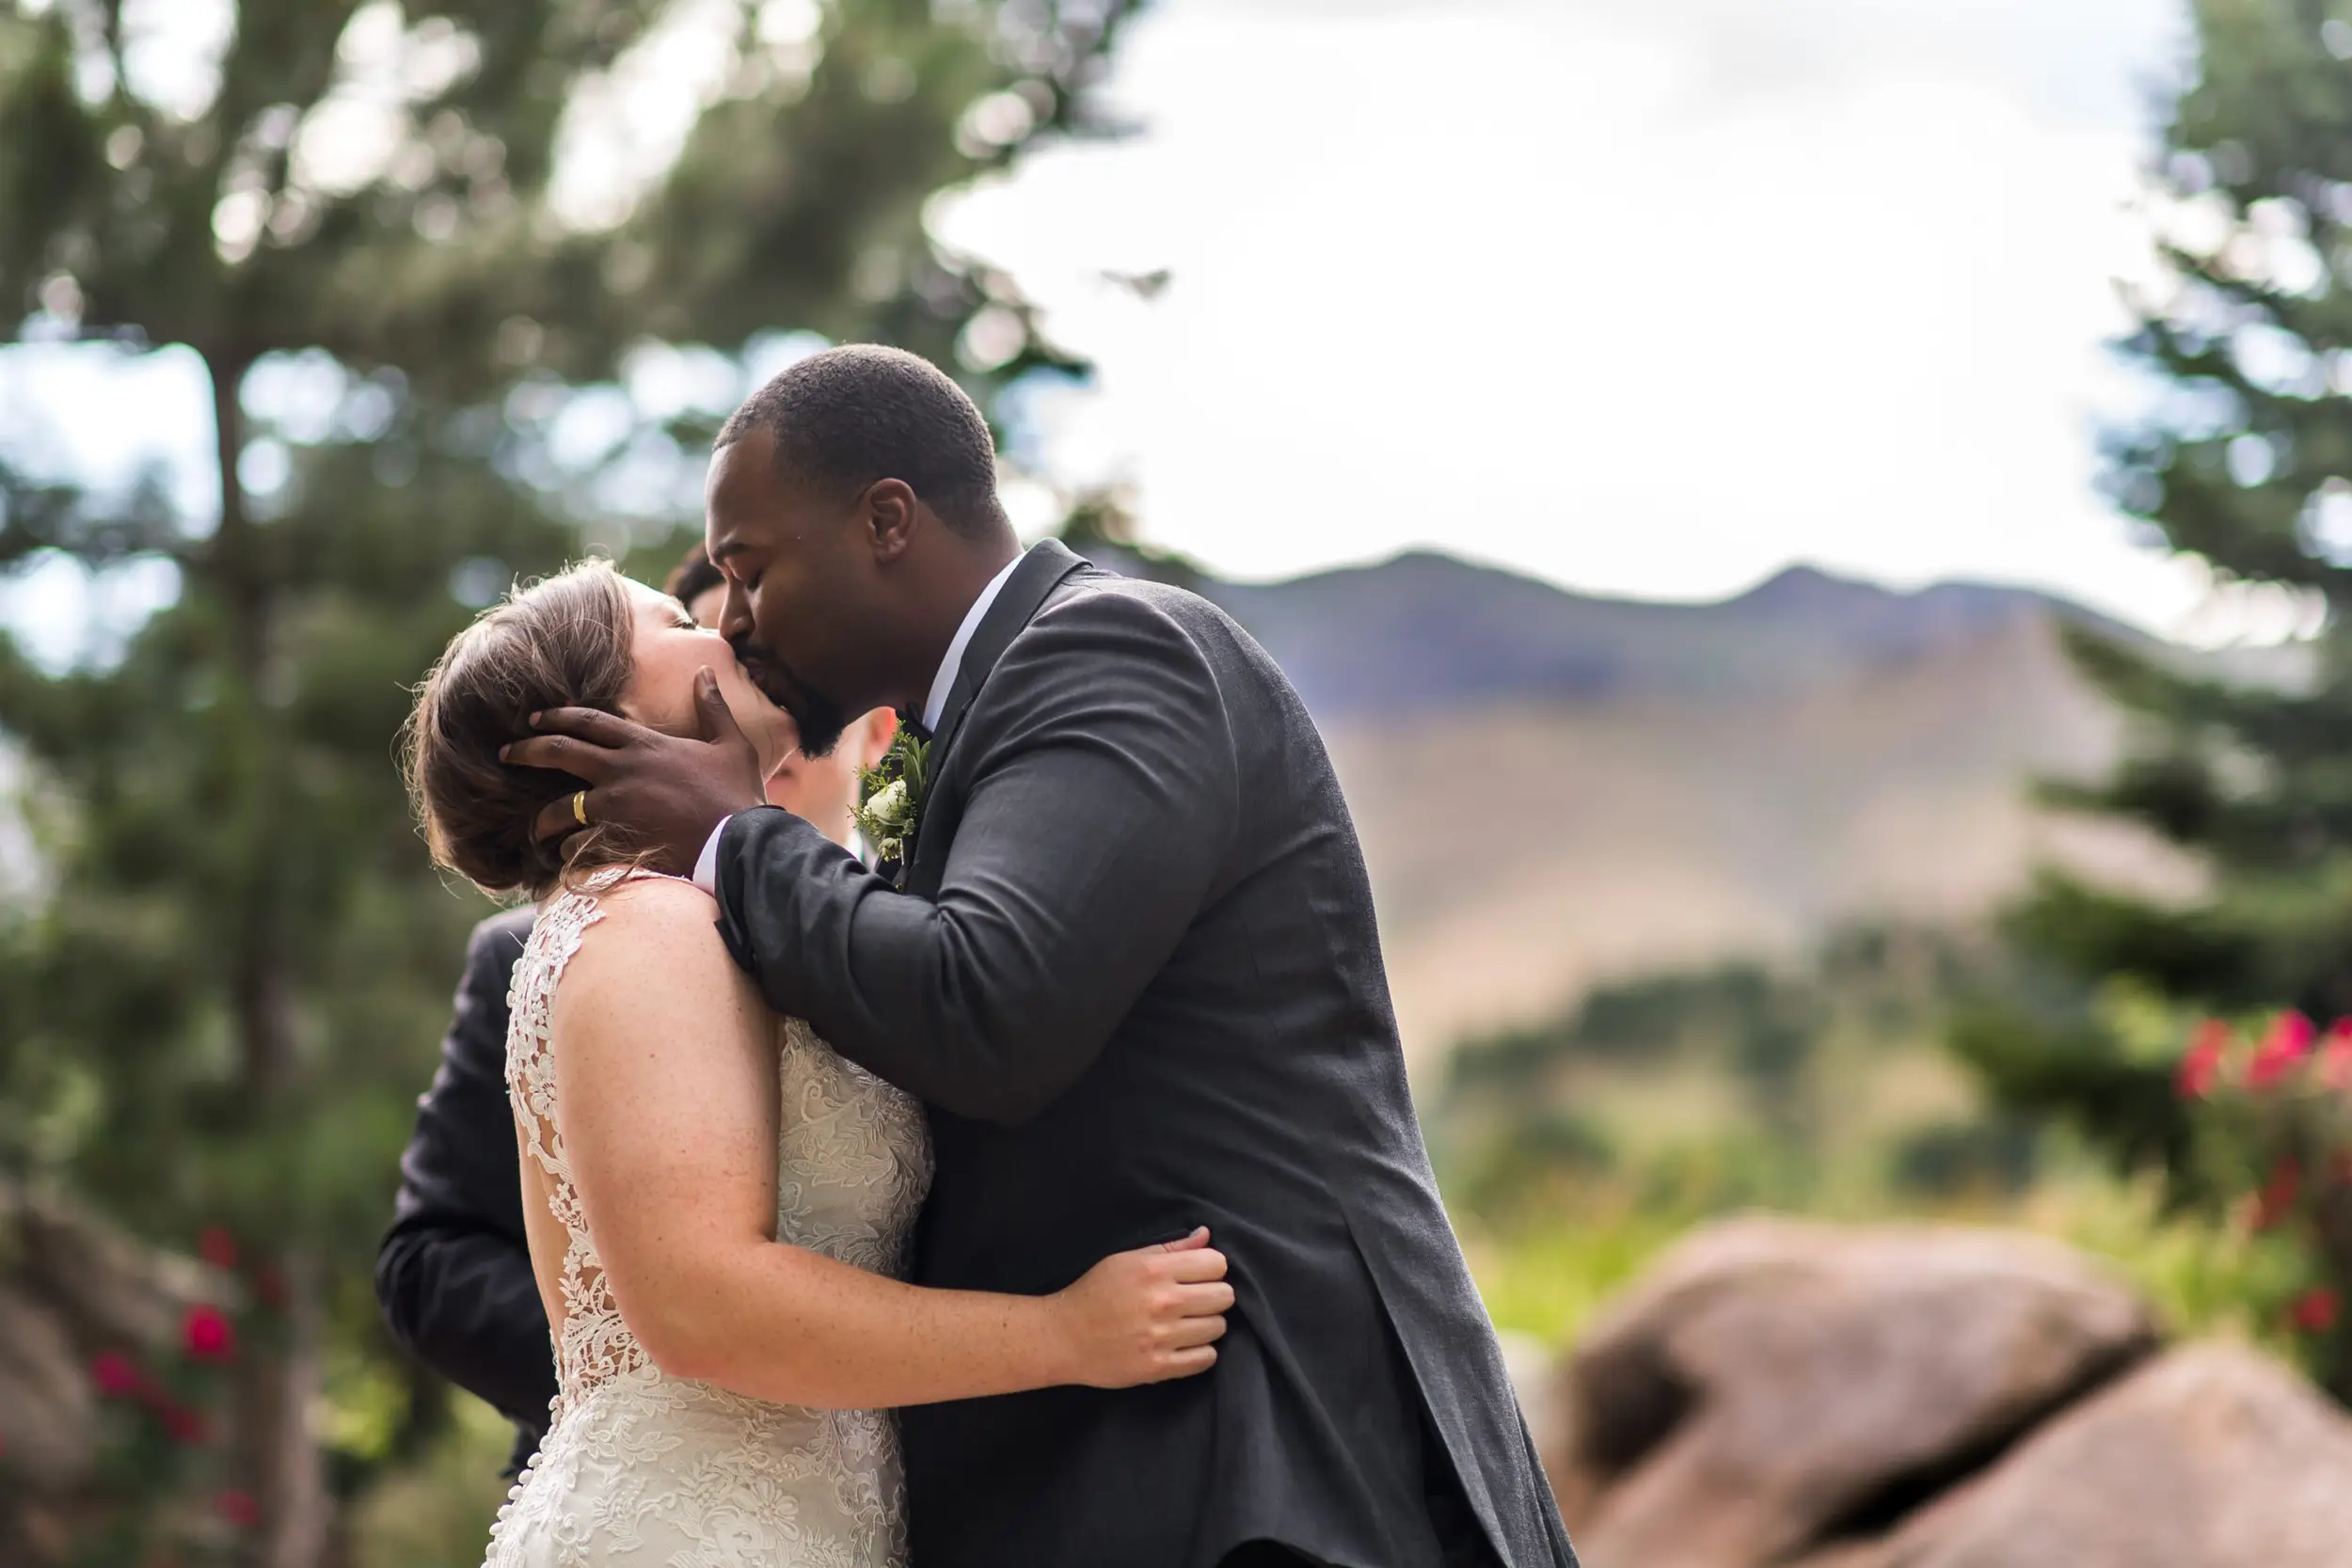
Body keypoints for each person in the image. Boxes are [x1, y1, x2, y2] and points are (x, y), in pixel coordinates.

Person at [505, 345, 1578, 1568]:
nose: (733, 619)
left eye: (751, 572)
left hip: (1261, 1457)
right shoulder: (958, 746)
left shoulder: (1116, 653)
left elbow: (988, 1005)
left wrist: (737, 838)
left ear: (887, 520)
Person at [402, 557, 1232, 1565]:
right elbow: (703, 1305)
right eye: (674, 621)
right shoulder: (640, 925)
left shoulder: (701, 918)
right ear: (597, 723)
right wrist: (1066, 1334)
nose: (731, 632)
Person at [373, 547, 948, 1477]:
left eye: (782, 679)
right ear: (612, 729)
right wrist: (643, 1374)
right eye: (692, 628)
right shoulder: (620, 930)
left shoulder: (927, 940)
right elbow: (432, 1264)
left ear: (872, 732)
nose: (734, 652)